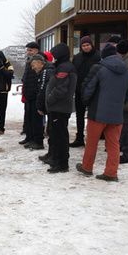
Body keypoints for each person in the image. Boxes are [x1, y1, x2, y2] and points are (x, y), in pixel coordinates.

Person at [76, 43, 128, 181]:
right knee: (114, 144)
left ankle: (87, 167)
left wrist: (87, 102)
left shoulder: (98, 68)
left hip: (97, 113)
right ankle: (111, 172)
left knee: (92, 142)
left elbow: (87, 89)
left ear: (103, 56)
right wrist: (119, 104)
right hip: (117, 114)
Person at [38, 43, 77, 173]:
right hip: (58, 107)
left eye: (55, 55)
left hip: (59, 107)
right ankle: (58, 159)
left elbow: (60, 89)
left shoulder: (64, 68)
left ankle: (62, 164)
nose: (53, 57)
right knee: (57, 135)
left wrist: (49, 99)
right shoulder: (62, 66)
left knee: (60, 136)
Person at [71, 36, 101, 147]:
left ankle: (94, 138)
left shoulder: (98, 56)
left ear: (91, 45)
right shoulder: (77, 57)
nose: (86, 47)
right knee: (79, 115)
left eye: (87, 45)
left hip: (94, 92)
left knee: (94, 116)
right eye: (83, 46)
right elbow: (73, 72)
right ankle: (79, 137)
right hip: (79, 91)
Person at [20, 42, 45, 149]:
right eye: (28, 50)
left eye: (30, 50)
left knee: (36, 120)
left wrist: (35, 92)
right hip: (29, 94)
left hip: (35, 95)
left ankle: (37, 140)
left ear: (36, 50)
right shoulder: (29, 61)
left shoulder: (39, 61)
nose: (28, 52)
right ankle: (29, 137)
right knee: (29, 118)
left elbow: (38, 80)